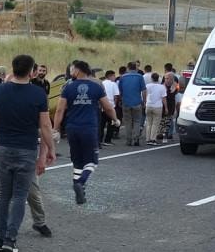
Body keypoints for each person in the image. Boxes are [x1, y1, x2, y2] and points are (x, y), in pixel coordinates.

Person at [0, 55, 56, 252]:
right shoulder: (39, 94)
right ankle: (10, 239)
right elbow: (45, 125)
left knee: (3, 195)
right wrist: (50, 150)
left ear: (12, 69)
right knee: (20, 196)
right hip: (27, 150)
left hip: (3, 148)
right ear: (31, 72)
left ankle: (0, 236)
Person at [54, 60, 120, 205]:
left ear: (78, 70)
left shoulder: (67, 88)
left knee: (77, 161)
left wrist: (56, 128)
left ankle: (80, 191)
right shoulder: (96, 87)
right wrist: (115, 119)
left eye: (72, 69)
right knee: (92, 161)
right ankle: (80, 183)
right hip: (89, 128)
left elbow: (59, 110)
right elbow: (108, 107)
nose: (71, 72)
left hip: (72, 128)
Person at [117, 62, 146, 146]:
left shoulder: (122, 77)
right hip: (137, 102)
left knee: (128, 121)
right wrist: (144, 101)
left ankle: (128, 140)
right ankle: (136, 138)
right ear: (136, 68)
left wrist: (121, 99)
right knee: (137, 121)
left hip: (126, 102)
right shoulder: (140, 77)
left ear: (128, 68)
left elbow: (120, 91)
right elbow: (144, 90)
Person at [143, 72, 167, 145]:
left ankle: (148, 139)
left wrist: (145, 102)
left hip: (148, 105)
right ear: (158, 79)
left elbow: (144, 93)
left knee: (148, 123)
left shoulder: (147, 86)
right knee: (155, 124)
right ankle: (153, 139)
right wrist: (166, 108)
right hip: (158, 106)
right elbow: (164, 99)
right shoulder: (162, 87)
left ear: (151, 78)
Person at [100, 70, 121, 146]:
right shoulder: (113, 84)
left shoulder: (101, 83)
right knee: (111, 123)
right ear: (110, 76)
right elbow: (116, 96)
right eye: (113, 76)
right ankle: (107, 140)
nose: (114, 77)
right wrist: (115, 104)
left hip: (102, 106)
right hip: (111, 106)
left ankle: (99, 140)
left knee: (101, 124)